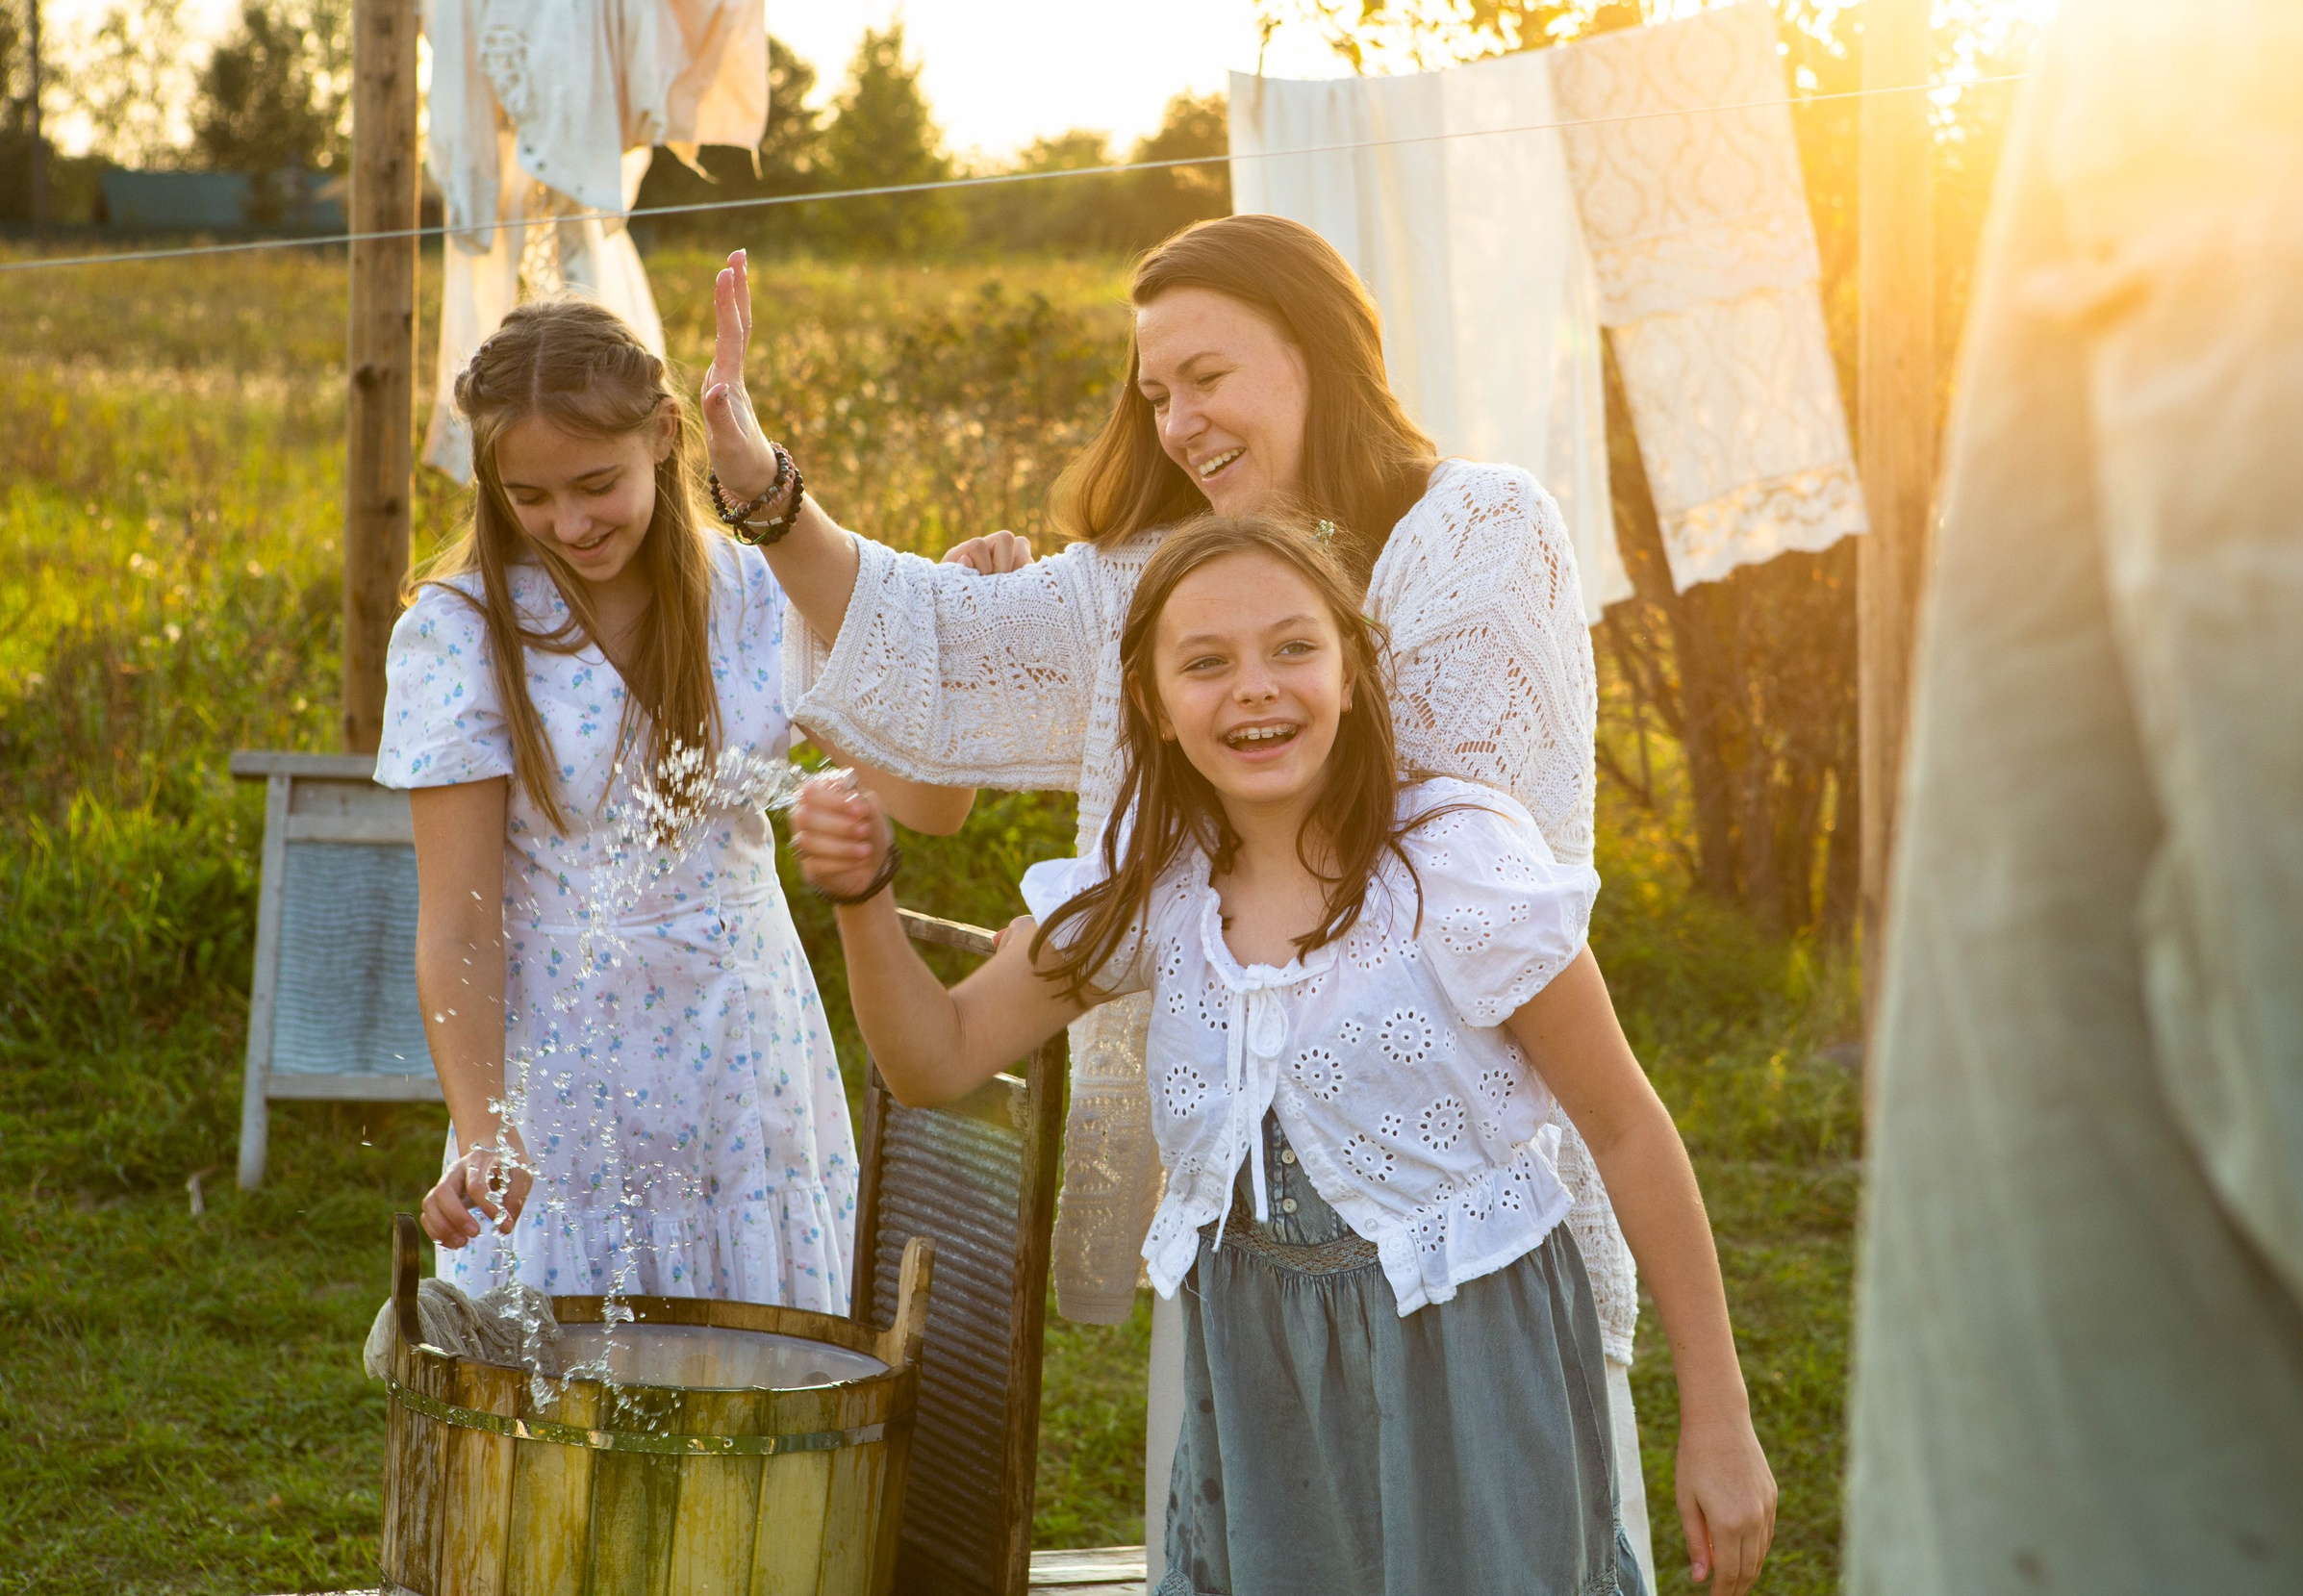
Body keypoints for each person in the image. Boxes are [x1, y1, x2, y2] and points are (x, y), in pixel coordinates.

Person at [698, 215, 1658, 1555]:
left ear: (1317, 352)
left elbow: (1444, 837)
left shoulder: (1481, 530)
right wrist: (763, 486)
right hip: (1247, 1238)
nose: (1178, 421)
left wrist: (1147, 847)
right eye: (1155, 394)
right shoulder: (1161, 584)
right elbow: (939, 635)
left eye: (1207, 376)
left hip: (1460, 1241)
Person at [794, 514, 1775, 1596]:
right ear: (1153, 706)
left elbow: (1628, 1130)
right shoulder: (1153, 887)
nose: (1254, 687)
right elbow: (938, 1058)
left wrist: (1717, 1415)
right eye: (1205, 663)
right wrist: (862, 900)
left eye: (1293, 647)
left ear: (1351, 672)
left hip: (1471, 1382)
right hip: (1264, 1402)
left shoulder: (1454, 865)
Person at [374, 298, 971, 1309]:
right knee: (569, 1384)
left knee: (756, 1366)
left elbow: (934, 803)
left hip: (745, 1065)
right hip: (564, 1082)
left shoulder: (759, 596)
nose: (570, 524)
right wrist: (484, 1128)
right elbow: (460, 925)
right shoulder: (460, 633)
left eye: (596, 484)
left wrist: (948, 644)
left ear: (661, 435)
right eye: (531, 496)